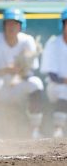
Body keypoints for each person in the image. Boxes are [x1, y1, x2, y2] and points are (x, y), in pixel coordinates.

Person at [0, 8, 44, 140]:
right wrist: (8, 69)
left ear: (21, 26)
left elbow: (30, 71)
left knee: (36, 83)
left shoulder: (27, 40)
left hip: (17, 85)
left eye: (15, 23)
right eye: (8, 23)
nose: (12, 27)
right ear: (4, 25)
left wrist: (20, 70)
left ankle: (35, 130)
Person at [40, 8, 67, 138]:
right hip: (56, 86)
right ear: (62, 25)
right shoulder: (53, 43)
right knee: (64, 90)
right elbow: (52, 75)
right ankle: (58, 129)